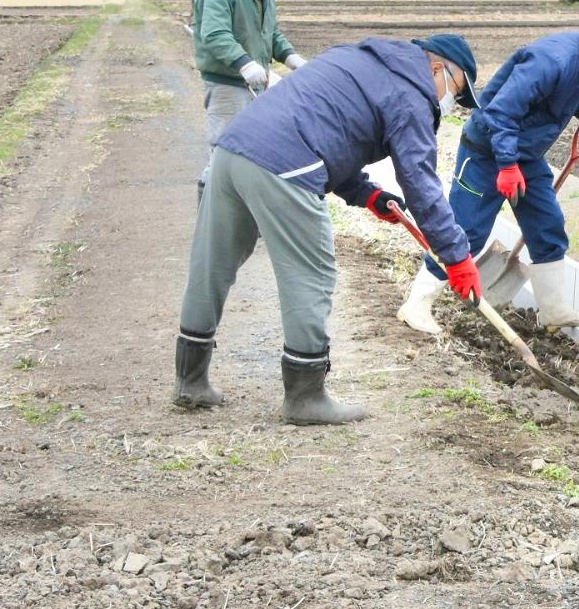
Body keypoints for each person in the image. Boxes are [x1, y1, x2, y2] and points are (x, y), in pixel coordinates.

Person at [175, 34, 485, 425]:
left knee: (211, 266)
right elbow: (421, 184)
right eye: (457, 92)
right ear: (438, 68)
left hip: (233, 150)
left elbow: (325, 129)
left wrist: (366, 194)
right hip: (283, 165)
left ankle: (190, 382)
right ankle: (306, 397)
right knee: (312, 274)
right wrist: (457, 256)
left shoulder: (360, 57)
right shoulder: (411, 94)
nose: (451, 104)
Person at [397, 29, 579, 336]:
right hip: (486, 151)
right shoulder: (552, 59)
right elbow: (502, 111)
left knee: (547, 225)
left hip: (525, 155)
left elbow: (562, 89)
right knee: (465, 232)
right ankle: (417, 304)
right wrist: (506, 165)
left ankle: (553, 309)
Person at [192, 0, 306, 193]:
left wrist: (292, 58)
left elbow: (270, 34)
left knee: (250, 154)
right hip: (227, 85)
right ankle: (210, 227)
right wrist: (244, 62)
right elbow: (214, 33)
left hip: (254, 84)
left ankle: (241, 223)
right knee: (224, 155)